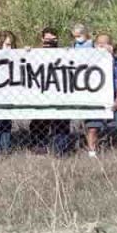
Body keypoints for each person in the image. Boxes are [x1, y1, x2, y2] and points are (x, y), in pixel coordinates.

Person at [29, 27, 72, 155]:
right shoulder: (34, 54)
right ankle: (39, 147)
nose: (50, 43)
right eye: (47, 40)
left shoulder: (66, 53)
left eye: (53, 40)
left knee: (62, 123)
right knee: (39, 122)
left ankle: (60, 150)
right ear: (42, 39)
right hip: (40, 94)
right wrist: (26, 51)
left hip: (61, 94)